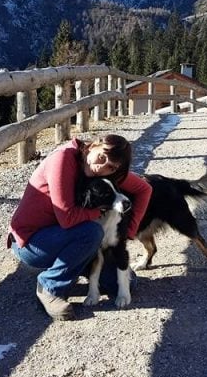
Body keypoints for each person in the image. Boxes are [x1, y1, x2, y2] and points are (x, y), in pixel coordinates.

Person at [8, 134, 153, 321]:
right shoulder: (62, 160)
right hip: (32, 241)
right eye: (102, 157)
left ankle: (75, 265)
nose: (101, 166)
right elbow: (67, 219)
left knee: (127, 284)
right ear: (93, 145)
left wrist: (129, 232)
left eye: (111, 166)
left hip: (69, 238)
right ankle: (49, 287)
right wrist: (100, 211)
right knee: (92, 232)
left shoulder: (105, 173)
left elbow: (144, 189)